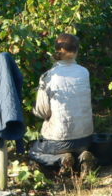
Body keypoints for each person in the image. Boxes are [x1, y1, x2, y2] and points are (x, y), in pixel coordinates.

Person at [29, 33, 96, 175]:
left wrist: (34, 111)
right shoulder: (84, 73)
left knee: (35, 152)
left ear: (57, 50)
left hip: (59, 140)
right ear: (76, 51)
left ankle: (61, 159)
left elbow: (43, 112)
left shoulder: (49, 76)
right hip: (86, 138)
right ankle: (82, 156)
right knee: (77, 145)